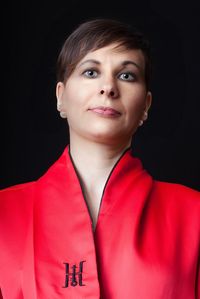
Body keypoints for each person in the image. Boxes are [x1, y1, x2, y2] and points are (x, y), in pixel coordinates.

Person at [0, 18, 199, 299]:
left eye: (127, 75)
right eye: (91, 72)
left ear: (145, 106)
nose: (108, 87)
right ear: (61, 97)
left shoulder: (193, 215)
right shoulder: (4, 212)